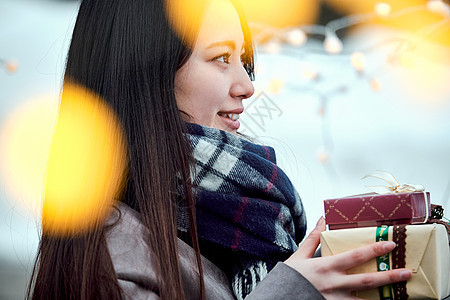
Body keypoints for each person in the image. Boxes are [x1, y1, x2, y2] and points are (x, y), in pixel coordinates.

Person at [27, 0, 412, 299]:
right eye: (221, 58)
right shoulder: (112, 257)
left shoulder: (252, 214)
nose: (247, 85)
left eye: (243, 60)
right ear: (149, 72)